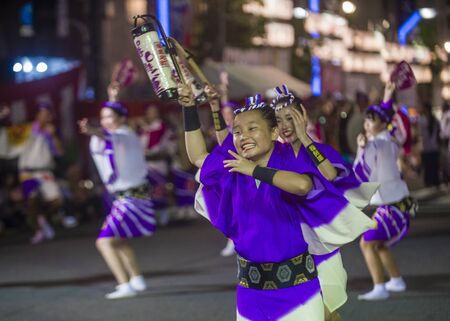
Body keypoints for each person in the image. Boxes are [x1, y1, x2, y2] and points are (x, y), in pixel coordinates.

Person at [181, 82, 374, 320]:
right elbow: (200, 157)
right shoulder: (235, 164)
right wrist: (189, 108)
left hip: (297, 288)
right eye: (238, 131)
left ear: (273, 133)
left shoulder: (291, 157)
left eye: (253, 129)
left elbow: (303, 185)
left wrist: (254, 169)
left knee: (329, 313)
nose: (243, 136)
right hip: (250, 293)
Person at [271, 85, 377, 321]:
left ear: (304, 116)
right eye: (278, 120)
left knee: (322, 310)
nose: (285, 126)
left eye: (291, 118)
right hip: (284, 241)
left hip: (315, 242)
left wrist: (305, 137)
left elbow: (329, 174)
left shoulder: (318, 150)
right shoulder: (274, 153)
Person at [78, 101, 155, 299]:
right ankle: (136, 279)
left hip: (132, 197)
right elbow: (103, 140)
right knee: (118, 239)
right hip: (122, 198)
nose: (105, 121)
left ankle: (124, 285)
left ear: (121, 119)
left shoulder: (127, 136)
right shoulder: (110, 138)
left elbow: (107, 136)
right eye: (103, 117)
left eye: (110, 116)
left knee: (104, 242)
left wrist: (92, 130)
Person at [353, 99, 415, 301]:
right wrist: (387, 97)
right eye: (366, 121)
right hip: (398, 204)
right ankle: (396, 280)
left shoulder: (378, 143)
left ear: (382, 124)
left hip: (394, 207)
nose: (367, 125)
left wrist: (362, 146)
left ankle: (380, 287)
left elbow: (361, 171)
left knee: (367, 243)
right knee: (379, 244)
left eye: (372, 121)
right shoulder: (390, 139)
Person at [0, 102, 64, 244]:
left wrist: (53, 136)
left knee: (57, 201)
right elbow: (6, 138)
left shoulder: (52, 131)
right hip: (27, 172)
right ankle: (38, 230)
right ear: (36, 115)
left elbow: (60, 152)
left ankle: (43, 220)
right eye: (42, 114)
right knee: (32, 200)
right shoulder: (25, 130)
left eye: (47, 114)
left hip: (45, 171)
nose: (45, 117)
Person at [418, 102, 441, 187]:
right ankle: (432, 181)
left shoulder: (428, 120)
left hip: (430, 146)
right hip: (429, 146)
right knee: (430, 165)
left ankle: (432, 181)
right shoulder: (424, 120)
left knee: (431, 165)